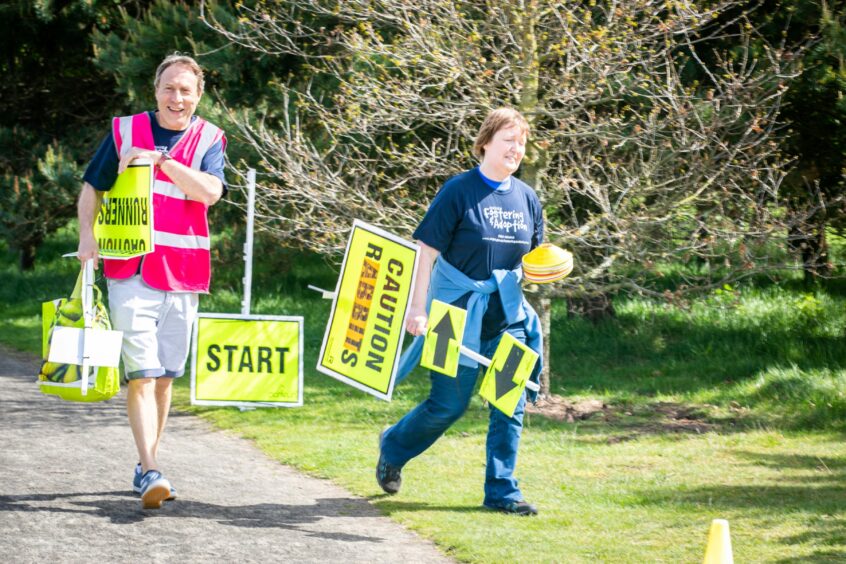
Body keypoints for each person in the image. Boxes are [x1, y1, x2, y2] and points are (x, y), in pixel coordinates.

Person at [77, 54, 227, 509]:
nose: (176, 98)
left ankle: (148, 467)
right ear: (155, 90)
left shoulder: (210, 138)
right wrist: (87, 238)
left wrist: (161, 162)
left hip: (184, 274)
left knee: (164, 378)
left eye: (185, 90)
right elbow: (92, 188)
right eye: (168, 88)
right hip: (130, 270)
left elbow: (210, 193)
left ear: (197, 96)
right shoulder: (124, 130)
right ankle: (151, 466)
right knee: (141, 374)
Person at [377, 108, 544, 515]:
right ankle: (393, 448)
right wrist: (417, 309)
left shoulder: (528, 198)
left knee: (509, 405)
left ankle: (502, 492)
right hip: (452, 316)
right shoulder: (457, 190)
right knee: (447, 405)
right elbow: (427, 251)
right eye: (508, 140)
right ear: (485, 142)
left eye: (521, 143)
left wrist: (545, 270)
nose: (516, 149)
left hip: (508, 318)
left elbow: (535, 260)